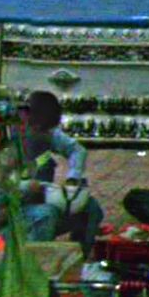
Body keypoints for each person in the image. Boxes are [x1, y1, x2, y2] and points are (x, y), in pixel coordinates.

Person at [19, 90, 103, 258]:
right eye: (38, 128)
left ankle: (77, 259)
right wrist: (26, 186)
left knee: (91, 208)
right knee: (46, 214)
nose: (41, 132)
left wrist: (73, 177)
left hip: (43, 197)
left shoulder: (47, 134)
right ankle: (39, 263)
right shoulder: (8, 139)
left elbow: (76, 150)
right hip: (16, 207)